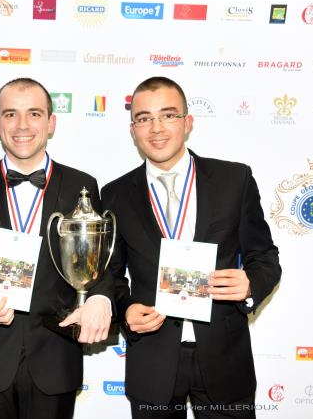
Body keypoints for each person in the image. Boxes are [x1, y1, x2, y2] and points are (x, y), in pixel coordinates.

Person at [101, 76, 281, 418]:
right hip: (151, 360)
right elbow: (110, 276)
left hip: (225, 358)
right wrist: (124, 310)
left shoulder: (234, 180)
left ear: (188, 123)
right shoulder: (114, 195)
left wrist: (250, 284)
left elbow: (265, 257)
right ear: (133, 129)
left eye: (168, 115)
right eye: (143, 118)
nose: (156, 128)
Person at [0, 78, 112, 419]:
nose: (22, 125)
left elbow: (100, 265)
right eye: (11, 114)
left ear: (51, 123)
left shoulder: (82, 188)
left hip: (55, 360)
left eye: (34, 114)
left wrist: (99, 297)